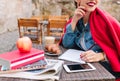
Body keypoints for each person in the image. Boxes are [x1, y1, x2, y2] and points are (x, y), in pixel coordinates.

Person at [45, 0, 120, 80]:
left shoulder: (106, 20)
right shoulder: (76, 20)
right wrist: (74, 20)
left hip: (105, 70)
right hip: (84, 65)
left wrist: (102, 56)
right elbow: (67, 44)